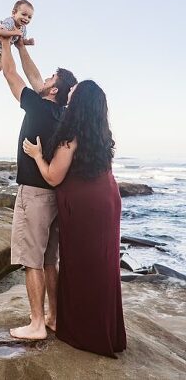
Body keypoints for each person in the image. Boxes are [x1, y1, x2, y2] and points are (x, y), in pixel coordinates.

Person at [23, 80, 126, 357]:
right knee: (103, 263)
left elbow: (53, 176)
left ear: (79, 103)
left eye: (74, 91)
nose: (70, 92)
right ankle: (107, 330)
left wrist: (35, 155)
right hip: (107, 199)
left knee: (81, 264)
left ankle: (86, 332)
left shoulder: (71, 137)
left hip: (84, 205)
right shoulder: (101, 135)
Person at [0, 25, 77, 340]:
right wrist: (21, 46)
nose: (43, 81)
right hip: (55, 195)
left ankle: (36, 324)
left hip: (34, 194)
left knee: (32, 260)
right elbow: (34, 77)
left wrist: (5, 45)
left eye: (49, 80)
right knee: (49, 261)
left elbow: (11, 75)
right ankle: (53, 317)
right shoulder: (61, 114)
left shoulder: (38, 106)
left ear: (53, 91)